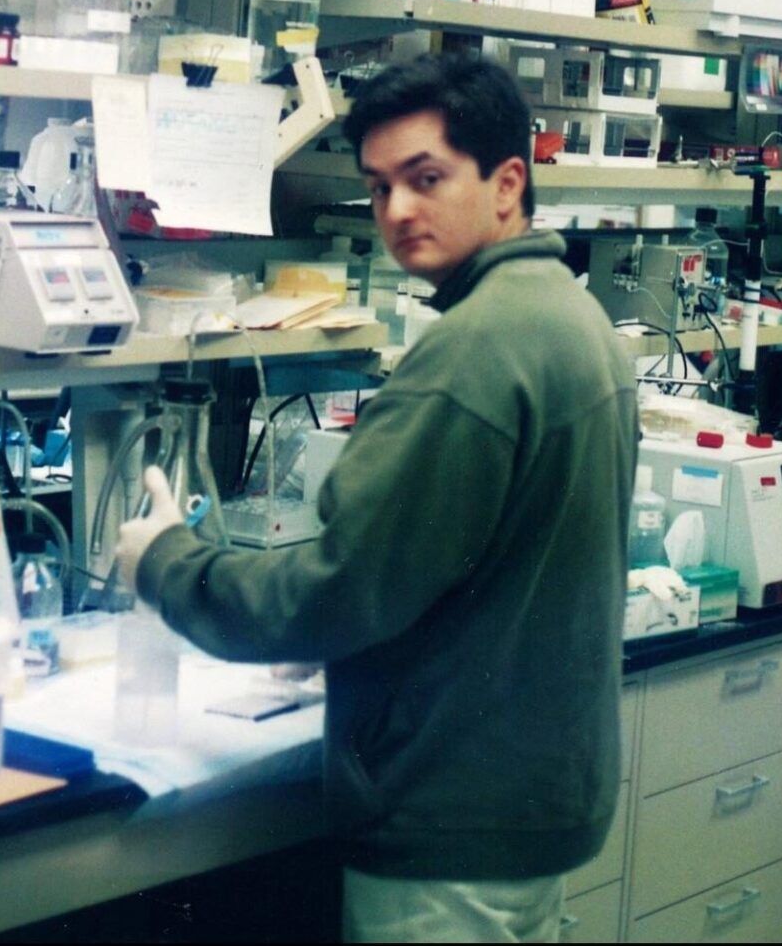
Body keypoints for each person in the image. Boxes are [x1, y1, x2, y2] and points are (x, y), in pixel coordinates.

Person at [115, 51, 639, 943]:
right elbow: (474, 573)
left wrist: (164, 562)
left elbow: (338, 588)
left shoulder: (478, 348)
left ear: (507, 183)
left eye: (426, 178)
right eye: (380, 186)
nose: (397, 211)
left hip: (449, 829)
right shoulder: (571, 317)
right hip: (524, 809)